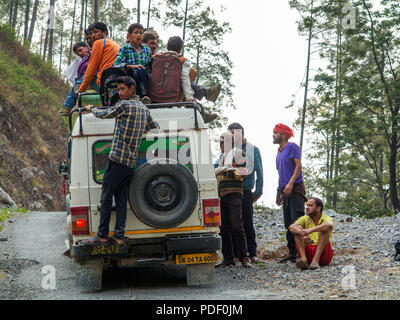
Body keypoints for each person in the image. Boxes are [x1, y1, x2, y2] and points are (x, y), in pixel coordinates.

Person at [82, 76, 160, 245]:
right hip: (130, 162)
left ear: (132, 89)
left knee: (106, 197)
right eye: (118, 89)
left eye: (123, 89)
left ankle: (102, 235)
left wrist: (91, 108)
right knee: (122, 200)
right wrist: (139, 134)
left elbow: (105, 114)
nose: (119, 92)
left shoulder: (123, 105)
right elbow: (156, 129)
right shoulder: (144, 109)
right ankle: (119, 236)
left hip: (117, 158)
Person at [215, 132, 252, 268]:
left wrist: (225, 171)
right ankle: (228, 258)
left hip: (234, 193)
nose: (220, 145)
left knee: (237, 225)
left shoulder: (238, 153)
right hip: (222, 194)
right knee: (223, 227)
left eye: (222, 142)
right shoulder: (222, 157)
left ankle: (244, 257)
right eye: (219, 142)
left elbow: (244, 171)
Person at [228, 123, 263, 263]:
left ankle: (252, 253)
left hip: (246, 191)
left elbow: (259, 172)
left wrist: (258, 192)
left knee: (248, 222)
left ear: (241, 133)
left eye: (234, 133)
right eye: (229, 133)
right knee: (234, 223)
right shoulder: (230, 150)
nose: (232, 136)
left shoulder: (252, 149)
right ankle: (237, 254)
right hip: (232, 191)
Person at [273, 123, 307, 263]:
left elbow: (298, 166)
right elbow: (281, 173)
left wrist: (291, 183)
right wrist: (279, 192)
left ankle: (303, 254)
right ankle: (292, 253)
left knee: (296, 220)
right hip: (284, 190)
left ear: (283, 134)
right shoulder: (279, 151)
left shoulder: (292, 146)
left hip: (296, 188)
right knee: (288, 223)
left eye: (276, 132)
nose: (273, 135)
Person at [289, 197, 334, 270]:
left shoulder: (326, 218)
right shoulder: (305, 218)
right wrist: (302, 233)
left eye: (310, 206)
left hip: (323, 254)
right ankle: (304, 260)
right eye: (307, 205)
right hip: (308, 252)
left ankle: (315, 260)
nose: (307, 208)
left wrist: (309, 231)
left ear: (318, 208)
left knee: (324, 230)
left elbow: (329, 225)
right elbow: (291, 227)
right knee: (296, 230)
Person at [113, 23, 152, 103]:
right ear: (130, 35)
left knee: (142, 71)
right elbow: (116, 65)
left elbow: (149, 66)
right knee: (138, 70)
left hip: (144, 76)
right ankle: (141, 95)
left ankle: (144, 97)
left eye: (141, 33)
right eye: (136, 33)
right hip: (129, 76)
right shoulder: (125, 48)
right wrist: (131, 66)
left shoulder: (147, 49)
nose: (138, 35)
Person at [78, 22, 120, 94]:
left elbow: (91, 68)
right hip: (117, 79)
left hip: (103, 82)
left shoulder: (98, 43)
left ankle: (68, 105)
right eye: (91, 33)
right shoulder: (114, 44)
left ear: (104, 33)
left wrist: (81, 90)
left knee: (83, 79)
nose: (93, 35)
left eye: (96, 32)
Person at [59, 41, 92, 116]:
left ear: (87, 47)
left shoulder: (92, 54)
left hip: (92, 75)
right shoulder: (83, 60)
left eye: (80, 50)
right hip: (86, 78)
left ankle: (67, 106)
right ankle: (78, 108)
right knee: (77, 86)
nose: (80, 54)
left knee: (77, 85)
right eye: (78, 53)